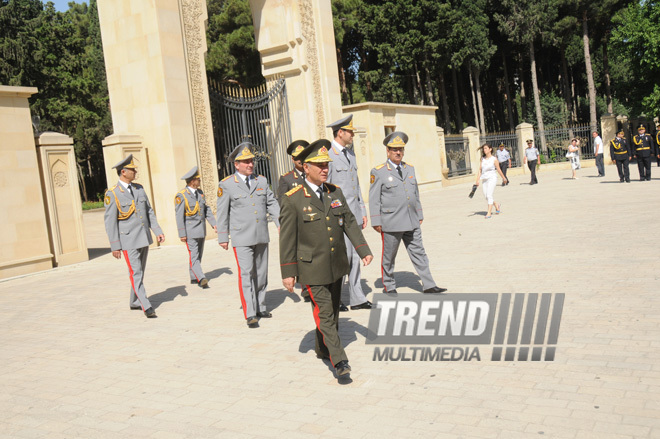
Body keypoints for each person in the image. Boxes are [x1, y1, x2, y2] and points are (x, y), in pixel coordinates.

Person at [279, 139, 373, 378]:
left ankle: (323, 348)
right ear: (306, 168)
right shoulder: (293, 198)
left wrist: (363, 250)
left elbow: (349, 222)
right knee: (324, 314)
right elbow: (287, 239)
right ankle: (340, 360)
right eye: (319, 165)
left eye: (326, 164)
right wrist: (288, 273)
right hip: (311, 267)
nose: (325, 169)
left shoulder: (335, 192)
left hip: (337, 264)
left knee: (332, 311)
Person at [369, 131, 446, 294]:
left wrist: (419, 213)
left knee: (419, 253)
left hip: (411, 220)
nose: (398, 152)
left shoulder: (409, 168)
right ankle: (389, 286)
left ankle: (429, 284)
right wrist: (376, 221)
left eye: (401, 149)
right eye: (395, 149)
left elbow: (415, 193)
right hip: (391, 222)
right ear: (388, 151)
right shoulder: (379, 171)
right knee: (389, 256)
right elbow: (374, 198)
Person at [217, 142, 280, 327]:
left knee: (261, 273)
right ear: (236, 165)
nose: (250, 164)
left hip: (261, 234)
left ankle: (260, 305)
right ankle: (250, 312)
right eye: (245, 161)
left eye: (251, 160)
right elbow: (222, 212)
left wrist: (280, 222)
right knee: (246, 273)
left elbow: (271, 202)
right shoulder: (227, 184)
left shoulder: (261, 180)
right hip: (241, 236)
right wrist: (223, 237)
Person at [104, 154, 164, 318]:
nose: (135, 171)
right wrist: (115, 245)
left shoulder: (139, 189)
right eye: (132, 169)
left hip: (143, 237)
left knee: (139, 271)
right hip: (127, 239)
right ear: (123, 172)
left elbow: (148, 211)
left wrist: (157, 231)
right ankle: (146, 305)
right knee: (135, 272)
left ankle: (134, 301)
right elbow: (110, 222)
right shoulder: (113, 194)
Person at [326, 114, 370, 311]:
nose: (352, 135)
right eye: (349, 131)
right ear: (340, 132)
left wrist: (362, 209)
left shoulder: (350, 154)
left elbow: (356, 184)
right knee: (341, 258)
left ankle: (357, 297)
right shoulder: (328, 156)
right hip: (338, 215)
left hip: (353, 214)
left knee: (355, 255)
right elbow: (327, 189)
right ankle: (336, 298)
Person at [175, 166, 217, 288]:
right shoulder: (181, 195)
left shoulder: (200, 193)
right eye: (198, 179)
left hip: (201, 230)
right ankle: (201, 278)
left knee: (198, 255)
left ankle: (193, 276)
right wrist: (182, 234)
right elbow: (179, 216)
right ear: (192, 181)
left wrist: (214, 223)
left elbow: (206, 209)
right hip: (190, 231)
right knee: (194, 255)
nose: (200, 181)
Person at [474, 144, 508, 219]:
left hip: (492, 178)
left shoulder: (494, 159)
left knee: (489, 195)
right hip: (484, 179)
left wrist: (504, 178)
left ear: (490, 149)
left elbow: (498, 169)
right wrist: (477, 180)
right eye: (483, 149)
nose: (484, 150)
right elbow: (480, 170)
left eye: (486, 148)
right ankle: (496, 205)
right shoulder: (482, 159)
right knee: (486, 196)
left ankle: (489, 212)